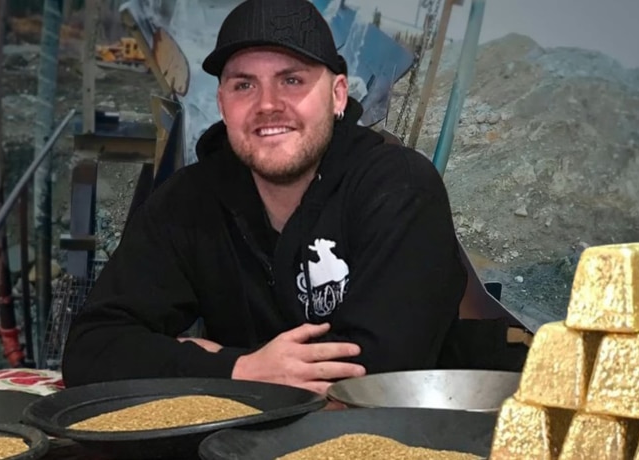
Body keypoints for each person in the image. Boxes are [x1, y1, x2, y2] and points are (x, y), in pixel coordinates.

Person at [61, 0, 469, 395]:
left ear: (338, 94)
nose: (268, 105)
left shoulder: (399, 187)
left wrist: (207, 360)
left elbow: (378, 379)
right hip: (238, 433)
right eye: (244, 85)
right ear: (223, 104)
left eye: (292, 80)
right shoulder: (189, 200)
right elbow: (91, 350)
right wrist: (237, 368)